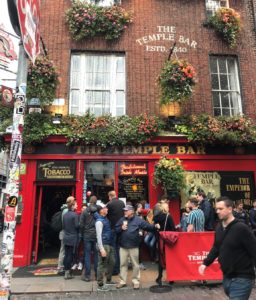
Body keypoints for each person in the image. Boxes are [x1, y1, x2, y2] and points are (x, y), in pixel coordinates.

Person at [199, 196, 256, 300]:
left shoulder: (241, 228)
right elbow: (216, 247)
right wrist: (205, 263)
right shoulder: (219, 227)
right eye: (216, 209)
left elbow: (254, 250)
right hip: (227, 277)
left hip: (242, 278)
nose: (217, 211)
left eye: (221, 209)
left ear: (230, 209)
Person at [115, 205, 159, 290]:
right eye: (124, 210)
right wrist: (121, 228)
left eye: (126, 210)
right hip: (123, 246)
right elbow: (116, 230)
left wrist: (155, 226)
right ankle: (122, 281)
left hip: (134, 246)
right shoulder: (122, 220)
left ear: (131, 212)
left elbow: (147, 226)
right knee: (123, 264)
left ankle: (136, 281)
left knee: (135, 265)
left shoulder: (138, 220)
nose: (124, 212)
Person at [153, 201, 175, 285]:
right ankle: (171, 278)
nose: (169, 208)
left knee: (161, 259)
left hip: (160, 240)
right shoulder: (168, 217)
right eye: (168, 207)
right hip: (168, 241)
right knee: (169, 259)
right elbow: (173, 230)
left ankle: (159, 277)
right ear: (165, 208)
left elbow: (155, 227)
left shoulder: (156, 217)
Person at [95, 203, 115, 292]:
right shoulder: (99, 221)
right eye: (105, 208)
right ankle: (100, 284)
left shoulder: (105, 218)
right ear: (101, 211)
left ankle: (108, 280)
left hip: (109, 244)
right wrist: (101, 248)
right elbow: (98, 236)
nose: (107, 209)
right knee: (101, 265)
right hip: (104, 245)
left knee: (112, 262)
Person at [80, 196, 98, 281]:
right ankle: (97, 275)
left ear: (89, 201)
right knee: (96, 255)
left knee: (87, 255)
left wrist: (83, 233)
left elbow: (81, 224)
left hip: (87, 235)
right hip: (96, 235)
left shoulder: (84, 211)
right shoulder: (98, 210)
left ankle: (87, 276)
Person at [106, 190, 125, 275]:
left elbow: (105, 215)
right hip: (121, 228)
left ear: (110, 196)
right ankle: (121, 268)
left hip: (113, 229)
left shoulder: (109, 204)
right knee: (120, 249)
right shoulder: (122, 203)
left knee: (113, 250)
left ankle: (115, 269)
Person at [63, 196, 79, 280]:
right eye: (75, 204)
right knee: (70, 255)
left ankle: (66, 271)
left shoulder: (65, 215)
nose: (76, 205)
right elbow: (77, 226)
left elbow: (64, 226)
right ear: (72, 206)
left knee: (66, 255)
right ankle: (68, 273)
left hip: (66, 237)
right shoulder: (75, 215)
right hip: (73, 238)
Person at [57, 201, 69, 274]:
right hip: (65, 233)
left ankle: (61, 266)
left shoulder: (64, 210)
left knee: (63, 250)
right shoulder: (66, 211)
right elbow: (66, 224)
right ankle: (61, 267)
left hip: (63, 233)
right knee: (63, 251)